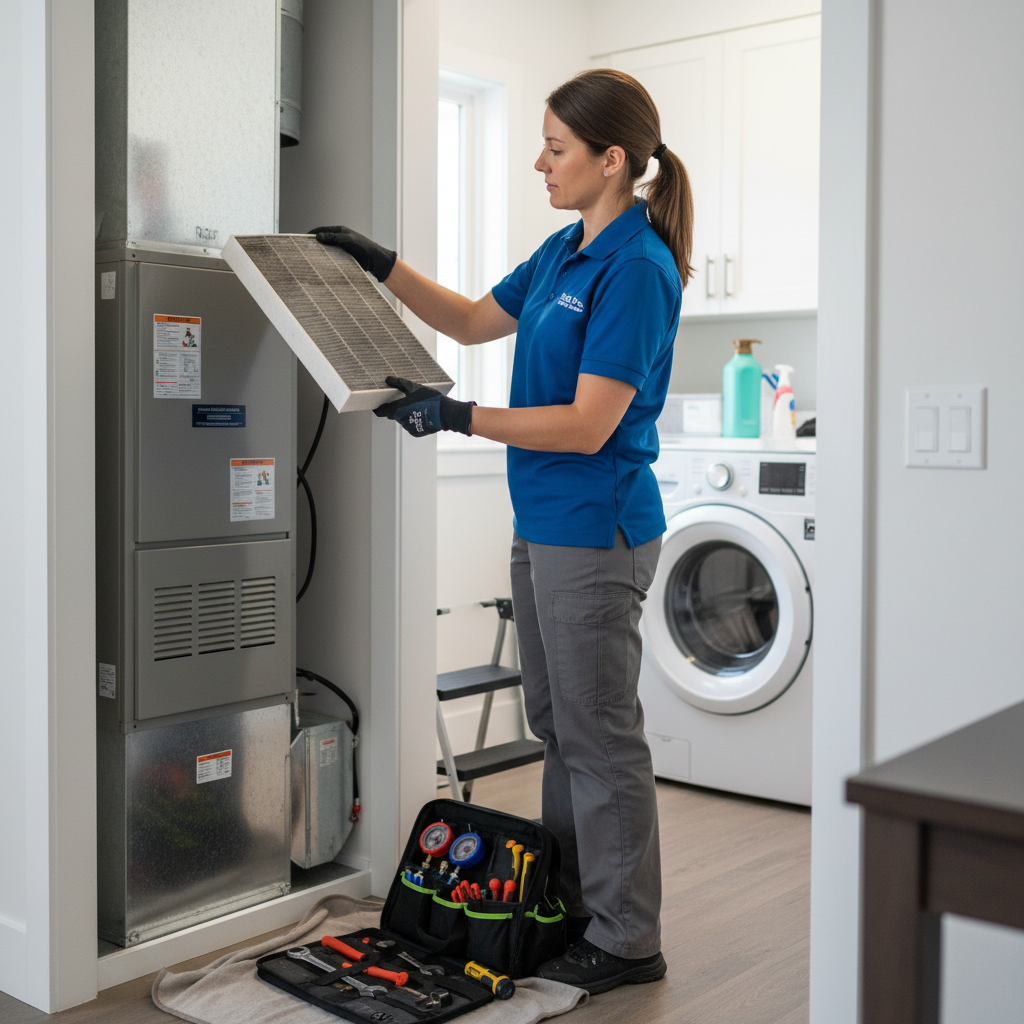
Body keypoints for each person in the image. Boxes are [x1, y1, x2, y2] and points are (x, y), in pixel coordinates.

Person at [312, 67, 694, 995]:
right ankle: (567, 904)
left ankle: (627, 939)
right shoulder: (566, 251)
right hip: (545, 525)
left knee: (600, 738)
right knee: (559, 726)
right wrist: (379, 262)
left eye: (556, 148)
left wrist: (455, 418)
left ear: (612, 161)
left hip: (595, 530)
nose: (539, 162)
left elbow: (587, 423)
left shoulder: (636, 268)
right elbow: (474, 319)